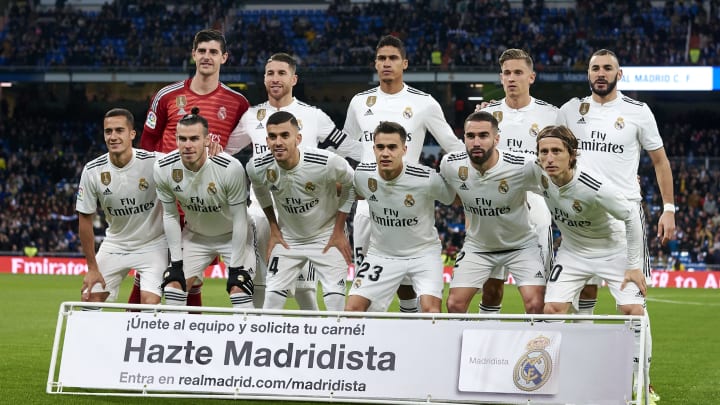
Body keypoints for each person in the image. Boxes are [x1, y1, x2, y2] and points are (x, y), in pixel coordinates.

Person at [558, 49, 674, 402]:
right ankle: (585, 373)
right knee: (581, 298)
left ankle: (643, 380)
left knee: (632, 306)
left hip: (624, 219)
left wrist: (669, 208)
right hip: (578, 221)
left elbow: (660, 160)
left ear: (619, 74)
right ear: (588, 74)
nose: (601, 73)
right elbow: (538, 129)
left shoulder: (638, 112)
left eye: (608, 68)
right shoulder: (568, 111)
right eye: (595, 68)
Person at [228, 52, 361, 310]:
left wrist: (331, 174)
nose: (275, 79)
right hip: (264, 212)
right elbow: (226, 152)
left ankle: (313, 341)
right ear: (264, 79)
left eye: (281, 73)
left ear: (294, 78)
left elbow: (352, 149)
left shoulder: (314, 116)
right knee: (262, 280)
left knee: (304, 288)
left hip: (308, 214)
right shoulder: (251, 117)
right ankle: (262, 330)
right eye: (270, 73)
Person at [131, 28, 251, 309]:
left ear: (224, 57)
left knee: (192, 277)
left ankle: (190, 338)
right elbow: (147, 146)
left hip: (208, 202)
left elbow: (238, 149)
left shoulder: (238, 103)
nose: (207, 57)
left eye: (213, 52)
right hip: (168, 199)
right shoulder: (167, 96)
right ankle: (131, 328)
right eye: (202, 51)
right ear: (193, 54)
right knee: (151, 270)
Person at [343, 35, 464, 312]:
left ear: (405, 63)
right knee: (367, 284)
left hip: (410, 200)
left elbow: (453, 146)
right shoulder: (360, 102)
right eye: (382, 58)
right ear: (375, 63)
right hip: (368, 203)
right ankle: (370, 345)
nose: (387, 63)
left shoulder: (424, 103)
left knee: (409, 276)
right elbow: (346, 146)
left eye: (393, 58)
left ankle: (407, 323)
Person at [535, 125, 650, 402]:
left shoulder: (593, 186)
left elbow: (631, 216)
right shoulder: (537, 174)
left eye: (556, 151)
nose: (549, 158)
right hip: (574, 252)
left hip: (613, 250)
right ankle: (551, 378)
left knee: (633, 310)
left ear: (572, 155)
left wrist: (634, 265)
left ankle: (644, 382)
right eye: (543, 152)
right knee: (551, 309)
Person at [246, 111, 355, 311]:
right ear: (267, 140)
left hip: (327, 237)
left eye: (285, 136)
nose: (278, 142)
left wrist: (339, 229)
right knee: (271, 303)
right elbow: (260, 192)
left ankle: (331, 343)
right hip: (288, 238)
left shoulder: (326, 162)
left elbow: (353, 185)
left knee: (335, 305)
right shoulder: (257, 166)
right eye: (272, 136)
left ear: (298, 139)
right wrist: (274, 228)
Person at [440, 111, 545, 314]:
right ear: (464, 139)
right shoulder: (450, 164)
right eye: (471, 136)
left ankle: (532, 345)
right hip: (478, 246)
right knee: (454, 305)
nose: (476, 142)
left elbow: (553, 191)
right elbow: (451, 195)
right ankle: (476, 344)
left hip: (521, 246)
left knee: (536, 305)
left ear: (496, 139)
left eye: (483, 136)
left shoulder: (523, 165)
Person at [479, 48, 557, 316]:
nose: (512, 78)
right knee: (491, 288)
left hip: (535, 204)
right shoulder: (486, 115)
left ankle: (537, 350)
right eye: (507, 73)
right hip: (493, 205)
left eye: (518, 73)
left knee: (537, 291)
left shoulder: (551, 115)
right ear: (501, 78)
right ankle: (485, 350)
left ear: (531, 77)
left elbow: (569, 157)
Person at [346, 121, 455, 313]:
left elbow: (452, 198)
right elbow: (348, 194)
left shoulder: (426, 178)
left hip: (423, 255)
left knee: (432, 312)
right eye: (380, 147)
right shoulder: (363, 175)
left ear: (404, 149)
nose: (385, 153)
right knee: (353, 310)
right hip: (381, 255)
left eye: (392, 147)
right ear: (373, 149)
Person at [153, 108, 254, 309]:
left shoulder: (229, 167)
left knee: (239, 290)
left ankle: (250, 340)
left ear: (207, 140)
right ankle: (179, 341)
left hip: (234, 235)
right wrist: (176, 263)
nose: (188, 145)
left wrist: (235, 268)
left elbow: (240, 218)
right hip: (196, 235)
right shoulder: (164, 167)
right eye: (182, 139)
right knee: (173, 288)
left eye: (194, 139)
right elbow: (171, 215)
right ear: (176, 139)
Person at [77, 108, 165, 305]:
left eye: (119, 130)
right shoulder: (92, 170)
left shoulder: (154, 162)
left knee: (149, 304)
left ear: (132, 134)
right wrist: (92, 268)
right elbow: (85, 219)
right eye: (108, 131)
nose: (113, 136)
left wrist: (210, 151)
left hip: (153, 244)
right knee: (90, 298)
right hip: (115, 243)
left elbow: (186, 161)